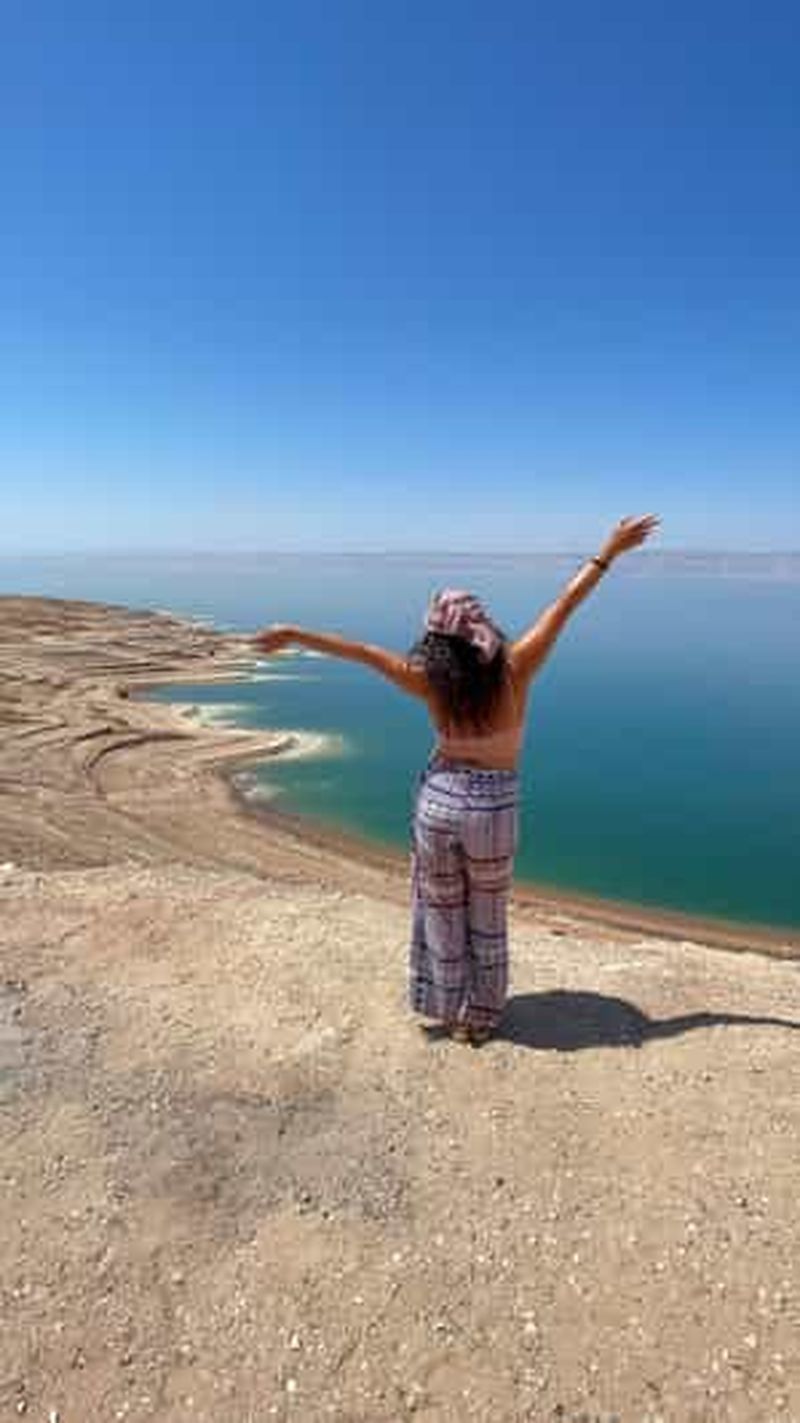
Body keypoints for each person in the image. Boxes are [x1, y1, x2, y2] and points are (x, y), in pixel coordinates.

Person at [252, 513, 661, 1045]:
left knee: (442, 909)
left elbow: (360, 652)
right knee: (486, 917)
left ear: (436, 641)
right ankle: (481, 1018)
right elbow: (566, 603)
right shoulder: (517, 666)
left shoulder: (427, 682)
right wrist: (610, 549)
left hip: (439, 804)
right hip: (491, 811)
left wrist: (294, 634)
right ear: (483, 631)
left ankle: (448, 1005)